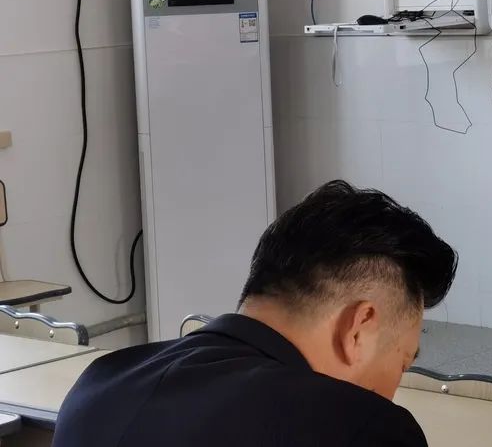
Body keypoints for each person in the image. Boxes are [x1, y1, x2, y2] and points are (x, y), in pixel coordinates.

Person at [53, 180, 458, 447]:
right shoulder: (360, 427)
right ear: (359, 327)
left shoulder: (99, 385)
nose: (394, 388)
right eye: (402, 363)